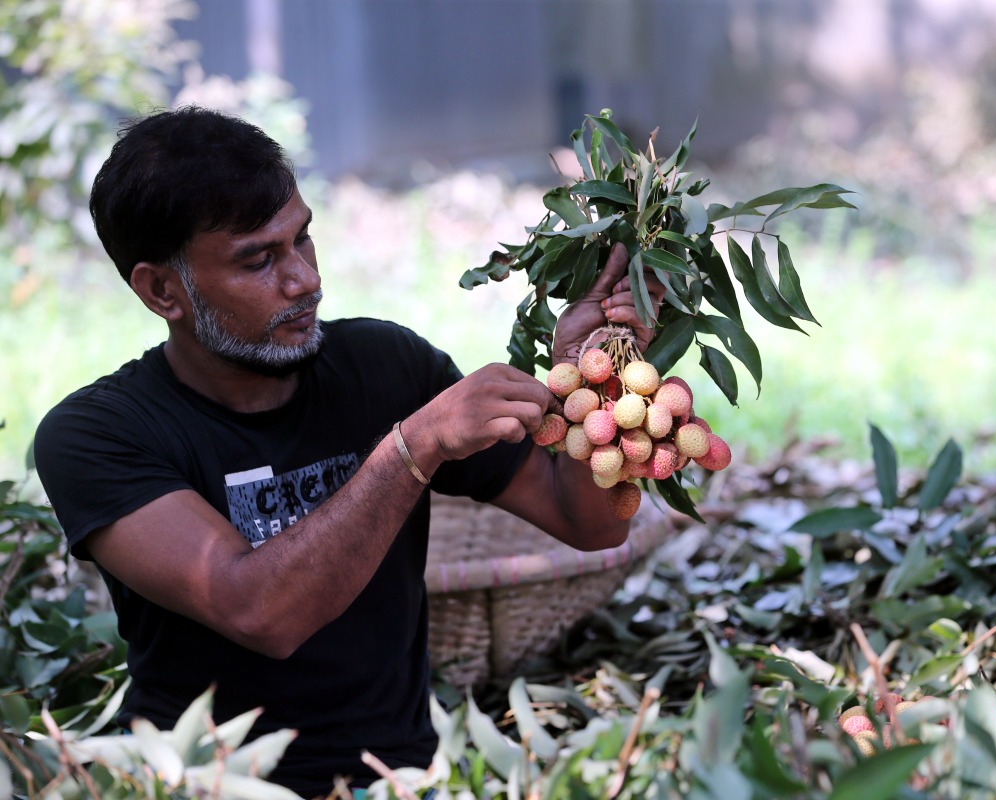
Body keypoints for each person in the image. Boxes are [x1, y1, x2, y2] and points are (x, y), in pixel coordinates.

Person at [33, 105, 664, 797]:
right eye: (259, 259)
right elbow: (260, 613)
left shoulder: (385, 365)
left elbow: (592, 524)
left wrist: (595, 378)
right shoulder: (96, 435)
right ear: (161, 290)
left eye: (302, 240)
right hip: (205, 784)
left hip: (398, 777)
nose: (303, 279)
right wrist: (412, 449)